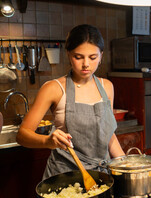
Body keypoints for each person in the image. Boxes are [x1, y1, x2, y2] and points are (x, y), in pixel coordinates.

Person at [16, 24, 125, 179]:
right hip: (64, 178)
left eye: (92, 57)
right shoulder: (53, 88)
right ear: (68, 54)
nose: (86, 64)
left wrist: (126, 165)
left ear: (101, 55)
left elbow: (107, 135)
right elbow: (22, 135)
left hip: (101, 176)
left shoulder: (107, 86)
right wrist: (48, 141)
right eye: (78, 57)